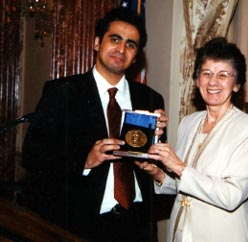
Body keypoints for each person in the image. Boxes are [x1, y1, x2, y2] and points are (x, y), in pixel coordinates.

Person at [22, 7, 167, 242]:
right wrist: (85, 160)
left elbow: (157, 167)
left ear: (136, 56)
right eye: (115, 39)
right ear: (97, 42)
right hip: (80, 225)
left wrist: (157, 142)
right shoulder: (62, 92)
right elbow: (32, 155)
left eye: (131, 45)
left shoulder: (150, 99)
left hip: (137, 224)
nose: (121, 49)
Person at [137, 37, 248, 242]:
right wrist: (159, 174)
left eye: (223, 75)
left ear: (237, 84)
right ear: (197, 81)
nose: (213, 81)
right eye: (206, 73)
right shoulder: (188, 122)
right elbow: (186, 184)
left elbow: (231, 196)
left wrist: (177, 165)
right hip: (180, 234)